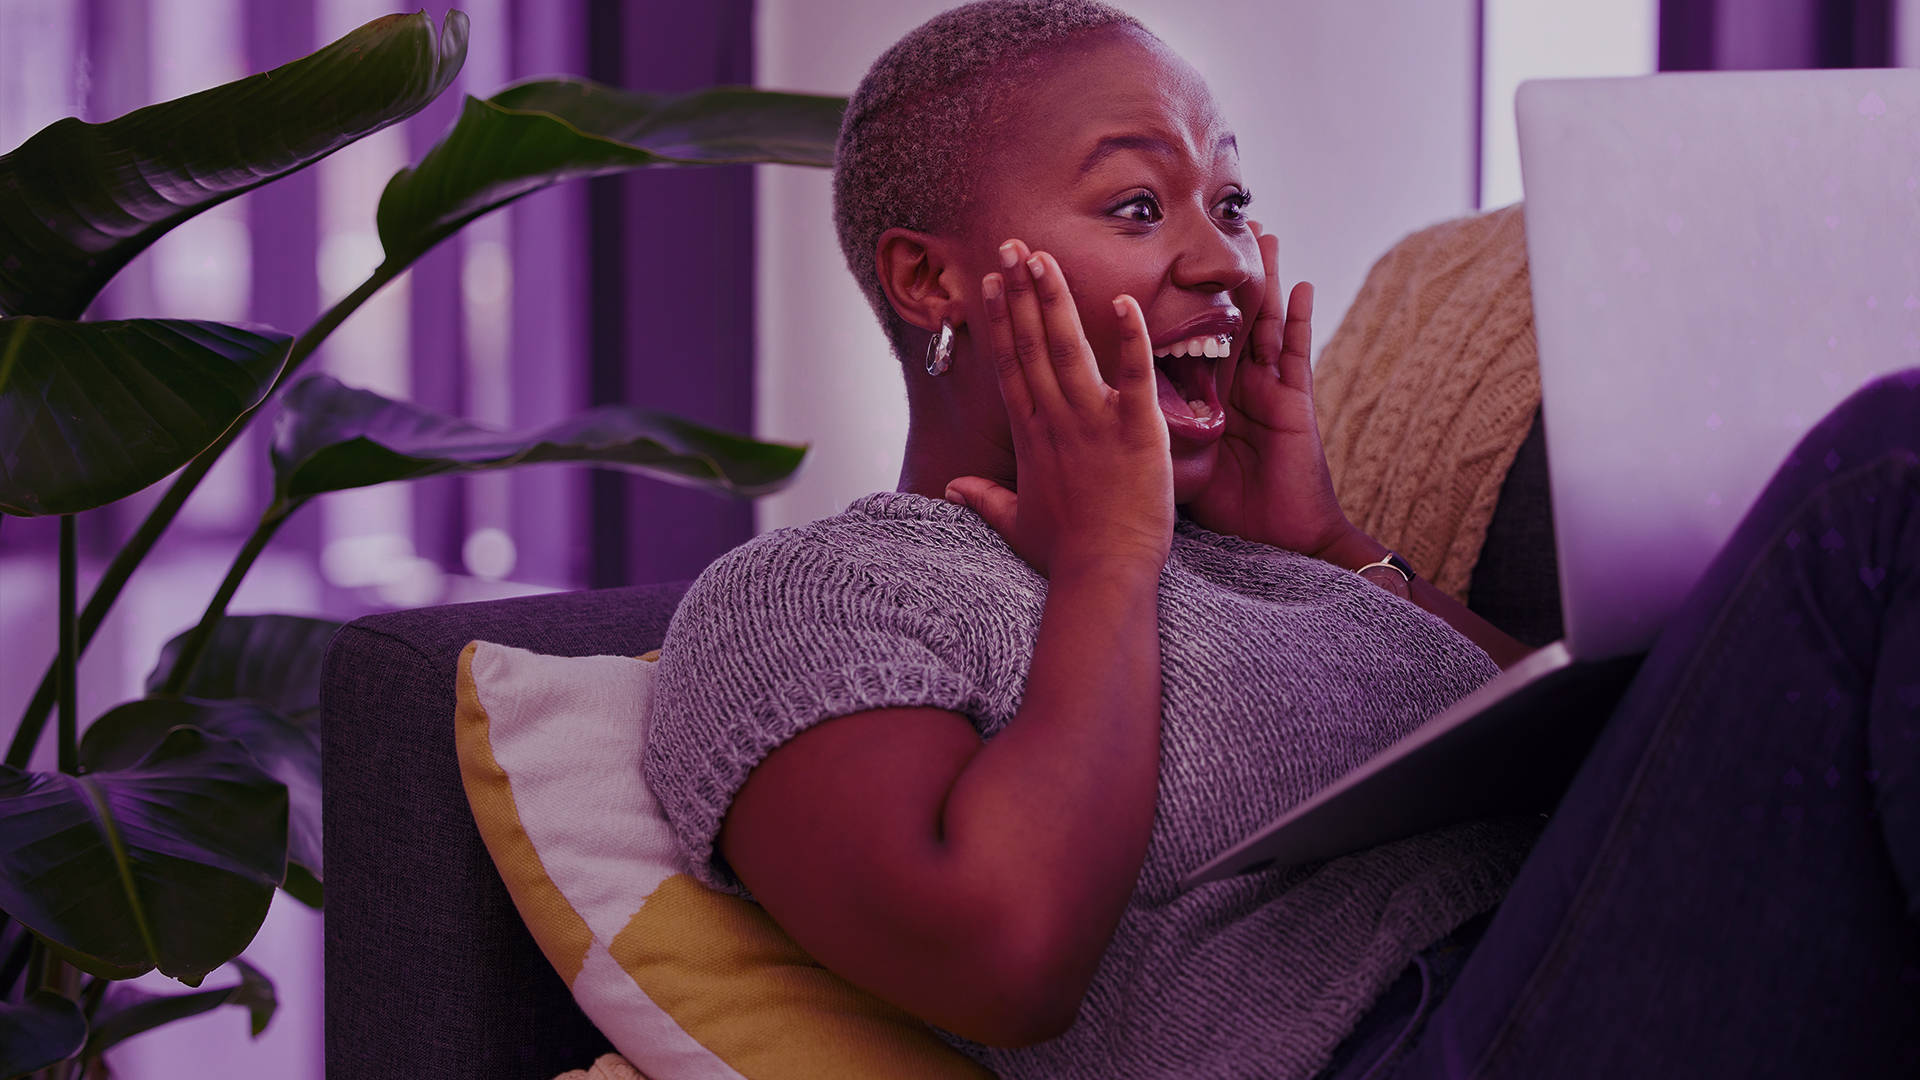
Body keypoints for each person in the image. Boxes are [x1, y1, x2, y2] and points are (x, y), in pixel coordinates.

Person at [641, 2, 1920, 1077]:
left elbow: (1605, 768)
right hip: (1416, 1042)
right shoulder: (812, 597)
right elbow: (1006, 960)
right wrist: (1105, 563)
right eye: (1139, 206)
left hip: (1624, 948)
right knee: (1884, 475)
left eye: (1232, 198)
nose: (1230, 260)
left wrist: (1325, 535)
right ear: (930, 281)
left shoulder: (1272, 550)